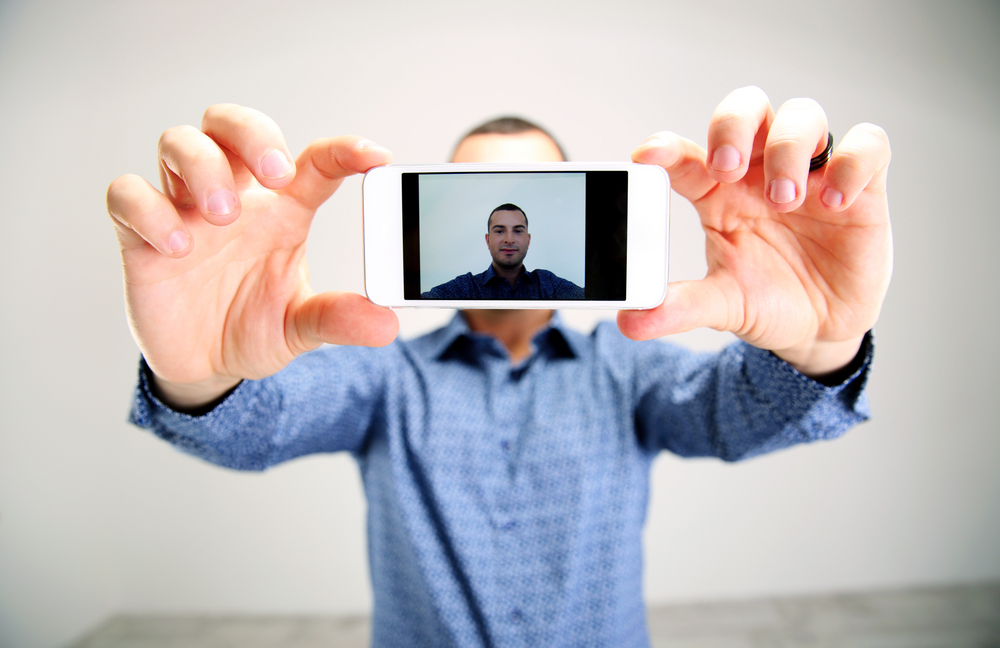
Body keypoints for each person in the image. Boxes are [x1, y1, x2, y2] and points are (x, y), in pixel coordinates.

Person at [107, 86, 892, 647]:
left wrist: (820, 343)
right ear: (484, 234)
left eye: (528, 214)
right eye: (494, 214)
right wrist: (199, 371)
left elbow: (739, 413)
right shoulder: (385, 374)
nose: (511, 233)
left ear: (534, 232)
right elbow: (258, 424)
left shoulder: (627, 368)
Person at [421, 201, 585, 299]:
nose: (509, 239)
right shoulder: (467, 286)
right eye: (499, 231)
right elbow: (423, 298)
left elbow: (590, 295)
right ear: (488, 240)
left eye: (518, 231)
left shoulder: (547, 283)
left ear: (528, 240)